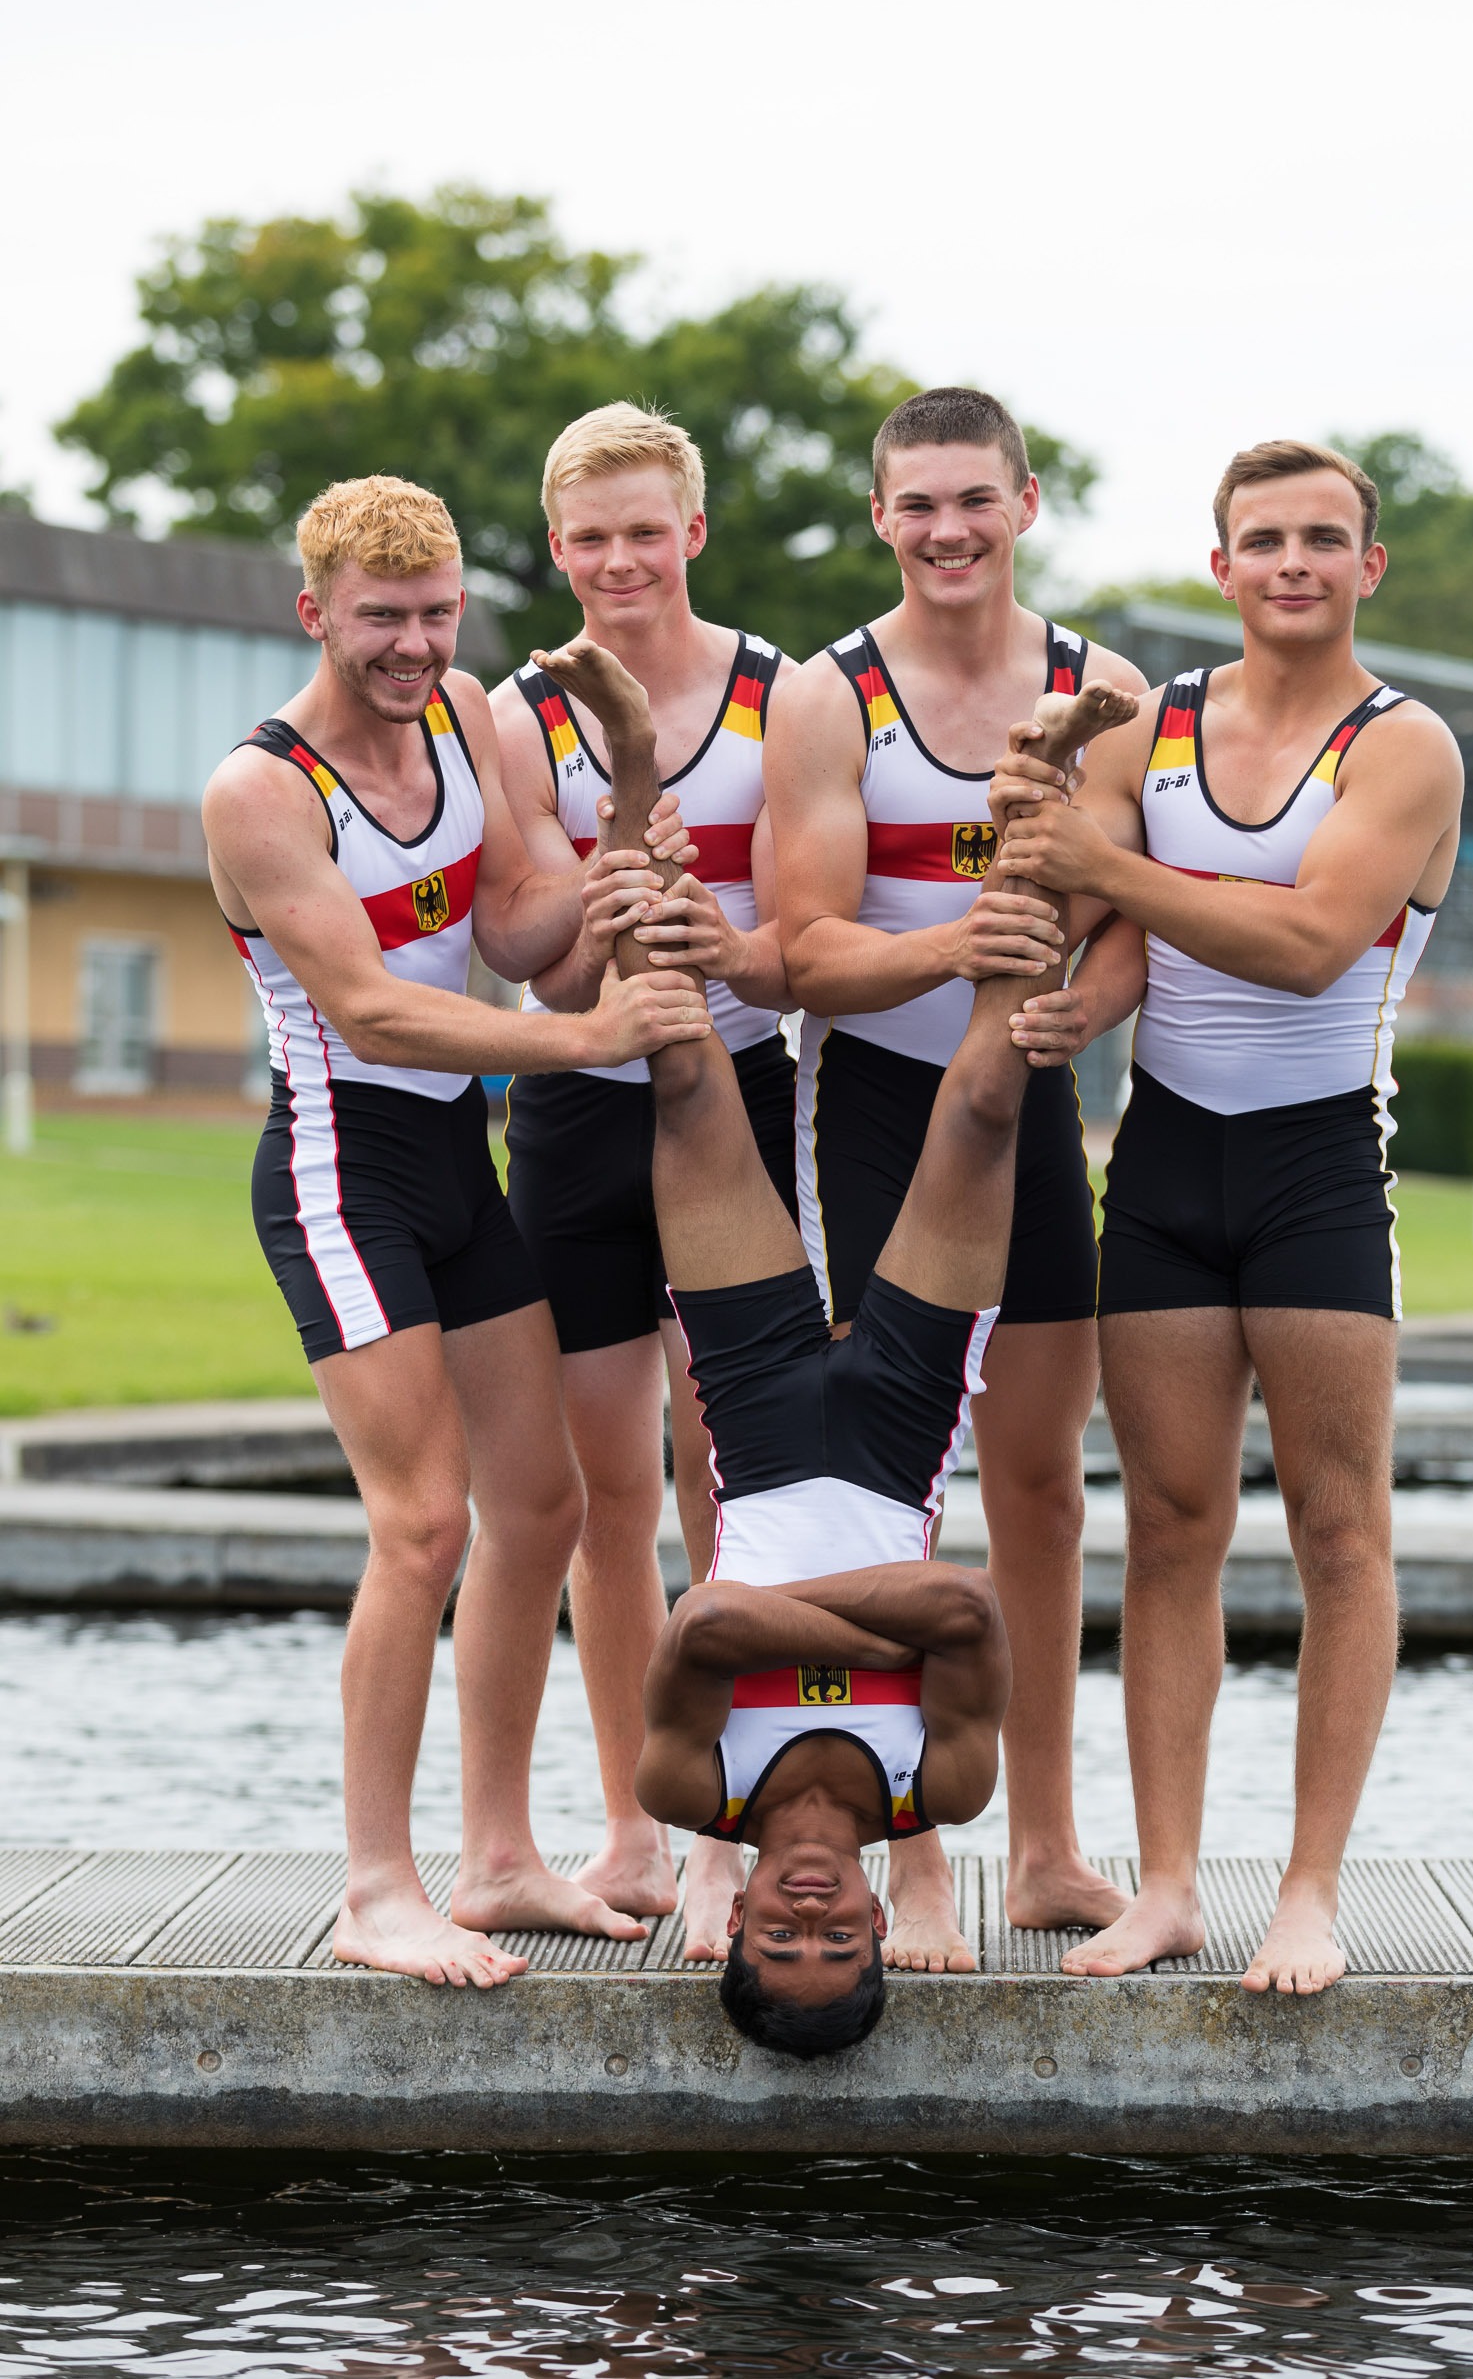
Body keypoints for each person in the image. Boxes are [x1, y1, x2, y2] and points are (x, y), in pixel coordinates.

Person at [547, 637, 1132, 2048]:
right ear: (878, 1925)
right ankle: (1040, 771)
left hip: (751, 1427)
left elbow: (708, 1619)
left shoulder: (703, 1794)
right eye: (833, 1939)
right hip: (897, 1428)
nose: (808, 1912)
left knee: (681, 1068)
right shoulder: (944, 1788)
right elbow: (978, 1610)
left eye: (783, 1937)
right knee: (989, 1103)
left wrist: (856, 1624)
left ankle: (631, 761)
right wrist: (876, 1620)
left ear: (735, 1922)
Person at [202, 474, 710, 1989]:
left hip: (452, 1165)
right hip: (340, 1169)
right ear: (316, 614)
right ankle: (376, 1887)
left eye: (435, 615)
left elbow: (516, 930)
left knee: (539, 1511)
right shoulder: (263, 789)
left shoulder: (465, 718)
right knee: (421, 1525)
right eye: (381, 620)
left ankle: (498, 1861)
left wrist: (622, 821)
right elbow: (369, 1007)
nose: (414, 646)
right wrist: (594, 1038)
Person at [993, 438, 1464, 1994]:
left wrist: (1104, 855)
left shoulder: (1406, 750)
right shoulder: (1158, 724)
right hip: (1172, 1172)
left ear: (1366, 567)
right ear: (1223, 566)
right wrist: (1072, 977)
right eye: (1264, 539)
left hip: (1323, 1170)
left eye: (1325, 539)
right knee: (1175, 1530)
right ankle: (1172, 1884)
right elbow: (1105, 925)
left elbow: (1317, 942)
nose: (1294, 564)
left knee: (1340, 1531)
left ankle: (1311, 1891)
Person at [764, 386, 1148, 1971]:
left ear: (1026, 502)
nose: (947, 532)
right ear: (880, 517)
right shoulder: (825, 694)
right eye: (917, 505)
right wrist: (965, 944)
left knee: (1043, 1490)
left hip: (1036, 1107)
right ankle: (913, 1863)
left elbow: (1133, 918)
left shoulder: (1104, 688)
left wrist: (1080, 1003)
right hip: (877, 1111)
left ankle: (1049, 1850)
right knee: (884, 1502)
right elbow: (804, 947)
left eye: (972, 501)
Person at [489, 403, 795, 1955]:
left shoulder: (781, 692)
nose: (619, 558)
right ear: (559, 550)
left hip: (736, 1098)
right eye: (589, 535)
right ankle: (630, 1825)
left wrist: (706, 910)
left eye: (645, 528)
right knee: (609, 1492)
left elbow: (802, 925)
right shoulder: (512, 707)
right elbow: (543, 985)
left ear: (693, 532)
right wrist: (616, 852)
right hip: (577, 1113)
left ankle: (734, 1830)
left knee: (729, 1481)